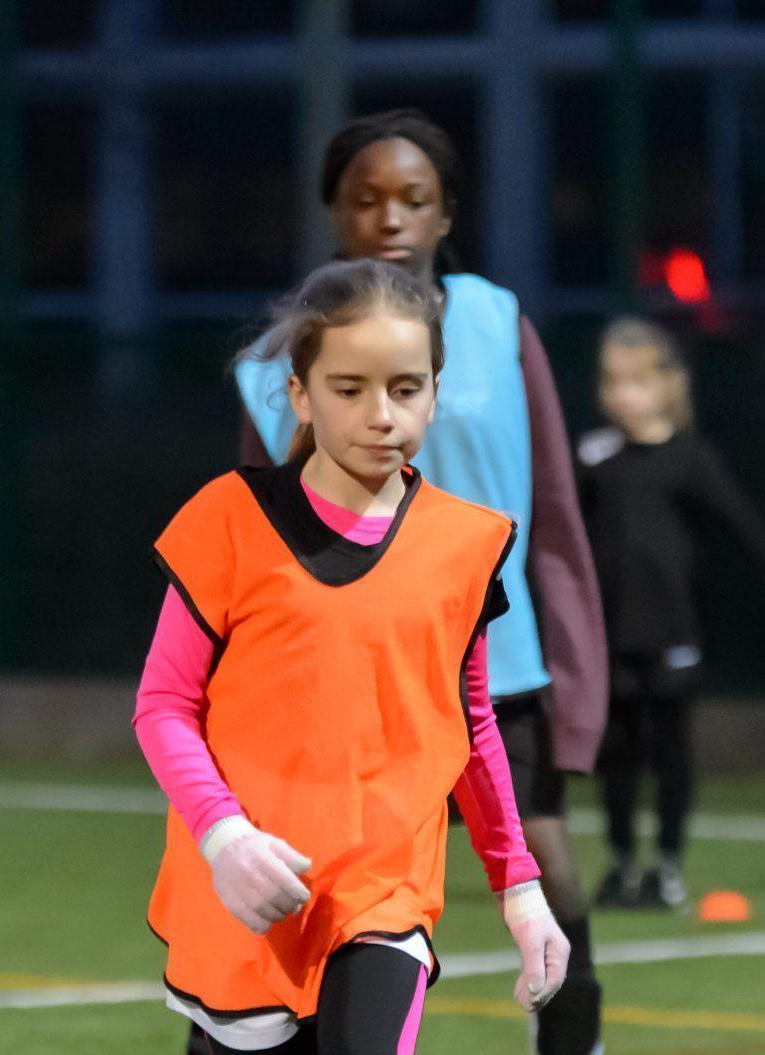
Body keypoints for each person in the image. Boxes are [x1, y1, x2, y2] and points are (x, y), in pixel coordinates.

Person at [233, 109, 607, 1055]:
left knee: (551, 880)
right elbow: (255, 546)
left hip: (498, 670)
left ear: (447, 217)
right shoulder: (280, 362)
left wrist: (579, 679)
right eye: (367, 200)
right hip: (343, 684)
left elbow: (554, 517)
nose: (390, 217)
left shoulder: (497, 323)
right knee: (339, 906)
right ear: (335, 216)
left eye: (414, 199)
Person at [135, 259, 569, 1054]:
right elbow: (163, 705)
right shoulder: (227, 521)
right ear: (298, 393)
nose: (381, 414)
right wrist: (224, 837)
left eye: (406, 388)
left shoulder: (465, 544)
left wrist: (521, 885)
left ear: (436, 391)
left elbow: (470, 724)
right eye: (349, 388)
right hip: (248, 892)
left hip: (384, 890)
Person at [578, 317, 765, 910]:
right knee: (618, 753)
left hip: (671, 632)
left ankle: (669, 865)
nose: (621, 394)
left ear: (666, 386)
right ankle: (622, 863)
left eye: (635, 381)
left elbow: (741, 527)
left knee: (671, 748)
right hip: (610, 636)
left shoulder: (689, 458)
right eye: (612, 382)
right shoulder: (594, 458)